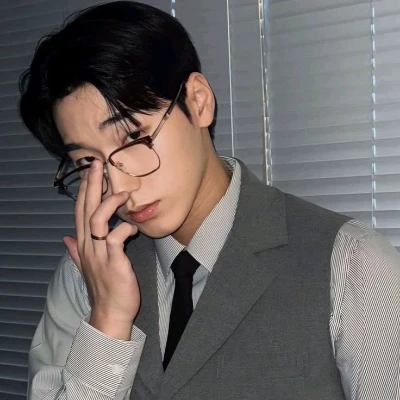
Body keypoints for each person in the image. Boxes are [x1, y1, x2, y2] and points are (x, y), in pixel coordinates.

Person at [19, 1, 400, 399]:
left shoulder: (351, 263)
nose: (119, 186)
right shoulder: (85, 274)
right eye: (87, 161)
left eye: (134, 136)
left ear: (198, 102)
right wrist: (108, 321)